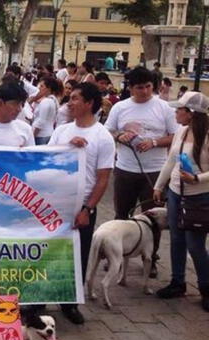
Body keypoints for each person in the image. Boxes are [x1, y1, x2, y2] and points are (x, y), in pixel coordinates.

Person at [48, 82, 115, 324]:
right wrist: (67, 146)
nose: (70, 102)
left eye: (75, 98)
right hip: (55, 203)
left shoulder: (103, 137)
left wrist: (88, 208)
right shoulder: (62, 131)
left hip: (82, 206)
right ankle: (39, 300)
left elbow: (103, 179)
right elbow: (47, 159)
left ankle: (70, 303)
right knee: (49, 250)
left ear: (89, 103)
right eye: (69, 98)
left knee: (78, 254)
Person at [105, 66, 178, 277]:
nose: (144, 91)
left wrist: (154, 142)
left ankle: (151, 258)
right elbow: (109, 130)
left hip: (155, 171)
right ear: (130, 88)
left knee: (153, 218)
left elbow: (175, 136)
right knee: (121, 215)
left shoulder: (164, 108)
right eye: (139, 87)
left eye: (148, 87)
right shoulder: (120, 107)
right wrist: (120, 136)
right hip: (126, 169)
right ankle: (116, 257)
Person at [153, 92, 209, 311]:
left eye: (180, 110)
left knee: (195, 245)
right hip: (176, 192)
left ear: (191, 113)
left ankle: (206, 286)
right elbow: (171, 161)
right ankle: (178, 282)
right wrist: (159, 185)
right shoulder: (181, 132)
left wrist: (197, 178)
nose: (175, 113)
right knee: (176, 238)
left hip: (200, 196)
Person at [32, 77, 61, 145]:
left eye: (42, 86)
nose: (39, 88)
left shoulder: (46, 101)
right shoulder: (54, 100)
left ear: (48, 88)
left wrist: (33, 135)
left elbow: (41, 121)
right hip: (48, 132)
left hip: (41, 135)